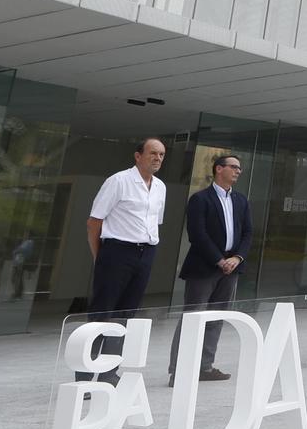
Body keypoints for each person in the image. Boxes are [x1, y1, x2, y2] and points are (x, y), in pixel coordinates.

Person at [82, 136, 168, 383]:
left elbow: (153, 222)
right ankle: (86, 376)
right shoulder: (118, 181)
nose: (158, 158)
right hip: (117, 250)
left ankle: (109, 373)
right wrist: (102, 256)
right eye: (153, 153)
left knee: (126, 315)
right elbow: (94, 222)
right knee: (102, 312)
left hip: (146, 252)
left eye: (161, 154)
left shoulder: (160, 187)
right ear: (138, 155)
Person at [166, 152, 252, 385]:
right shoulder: (200, 199)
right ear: (218, 169)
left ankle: (205, 367)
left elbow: (248, 233)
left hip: (231, 267)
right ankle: (179, 370)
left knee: (216, 319)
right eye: (233, 167)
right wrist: (218, 259)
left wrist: (237, 258)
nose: (238, 171)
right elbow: (197, 234)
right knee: (193, 318)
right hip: (204, 266)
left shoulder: (241, 200)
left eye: (239, 168)